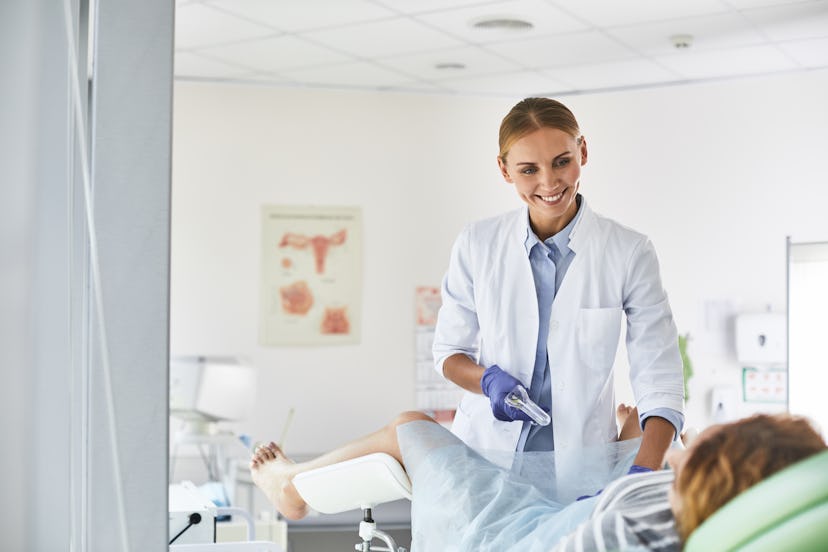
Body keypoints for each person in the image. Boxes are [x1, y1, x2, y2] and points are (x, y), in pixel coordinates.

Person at [432, 97, 683, 471]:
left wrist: (639, 474)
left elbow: (658, 377)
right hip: (488, 461)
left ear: (582, 151)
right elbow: (449, 353)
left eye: (562, 162)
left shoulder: (629, 252)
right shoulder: (477, 244)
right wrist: (487, 381)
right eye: (529, 169)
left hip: (581, 466)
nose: (549, 182)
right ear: (505, 170)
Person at [249, 411, 826, 551]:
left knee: (413, 427)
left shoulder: (639, 527)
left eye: (703, 443)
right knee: (448, 424)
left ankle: (291, 487)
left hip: (501, 535)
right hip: (552, 513)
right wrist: (635, 441)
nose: (691, 439)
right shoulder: (685, 504)